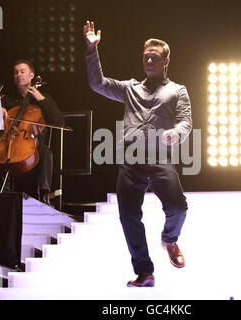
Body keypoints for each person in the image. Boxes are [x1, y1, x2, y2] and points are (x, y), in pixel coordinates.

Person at [83, 21, 192, 287]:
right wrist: (91, 49)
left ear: (166, 60)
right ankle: (145, 271)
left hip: (159, 158)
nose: (149, 61)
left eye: (155, 57)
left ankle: (169, 239)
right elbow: (97, 83)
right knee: (129, 215)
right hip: (131, 160)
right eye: (146, 57)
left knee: (178, 208)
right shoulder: (130, 89)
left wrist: (174, 134)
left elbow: (186, 122)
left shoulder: (177, 91)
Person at [0, 60, 64, 205]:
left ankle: (44, 195)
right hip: (10, 144)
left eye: (22, 71)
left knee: (46, 152)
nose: (18, 75)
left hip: (34, 147)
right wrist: (0, 112)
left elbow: (59, 122)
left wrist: (42, 99)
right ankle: (0, 192)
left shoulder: (42, 99)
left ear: (31, 75)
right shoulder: (7, 101)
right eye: (16, 72)